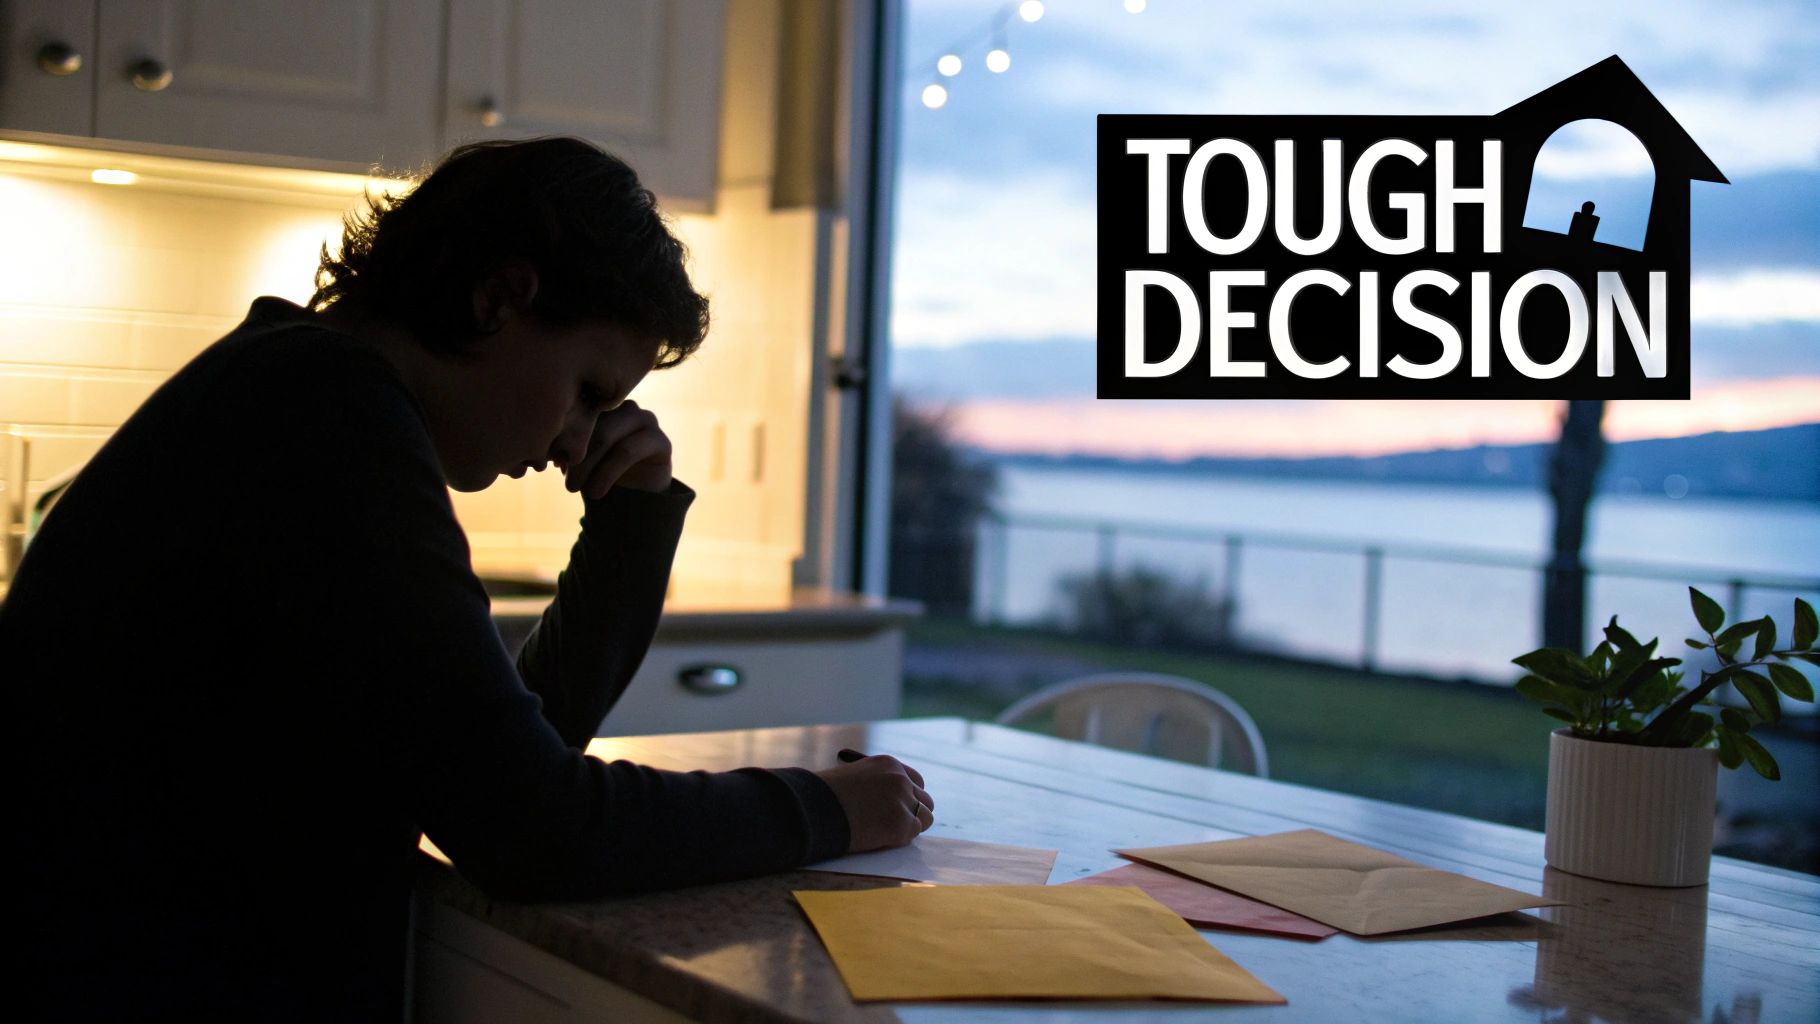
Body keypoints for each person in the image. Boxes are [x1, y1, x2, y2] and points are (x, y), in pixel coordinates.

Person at [5, 137, 934, 1020]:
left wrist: (630, 519)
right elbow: (534, 829)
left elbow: (509, 758)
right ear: (501, 299)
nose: (581, 434)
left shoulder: (297, 390)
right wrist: (822, 808)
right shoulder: (328, 423)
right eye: (588, 390)